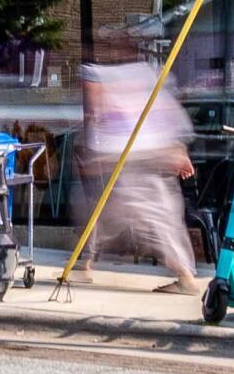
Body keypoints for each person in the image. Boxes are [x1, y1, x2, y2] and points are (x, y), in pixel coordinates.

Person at [79, 42, 200, 292]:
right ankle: (84, 263)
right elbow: (166, 114)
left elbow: (102, 114)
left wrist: (176, 150)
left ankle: (185, 275)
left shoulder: (111, 79)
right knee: (120, 212)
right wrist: (178, 150)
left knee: (150, 214)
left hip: (138, 158)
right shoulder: (143, 76)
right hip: (143, 155)